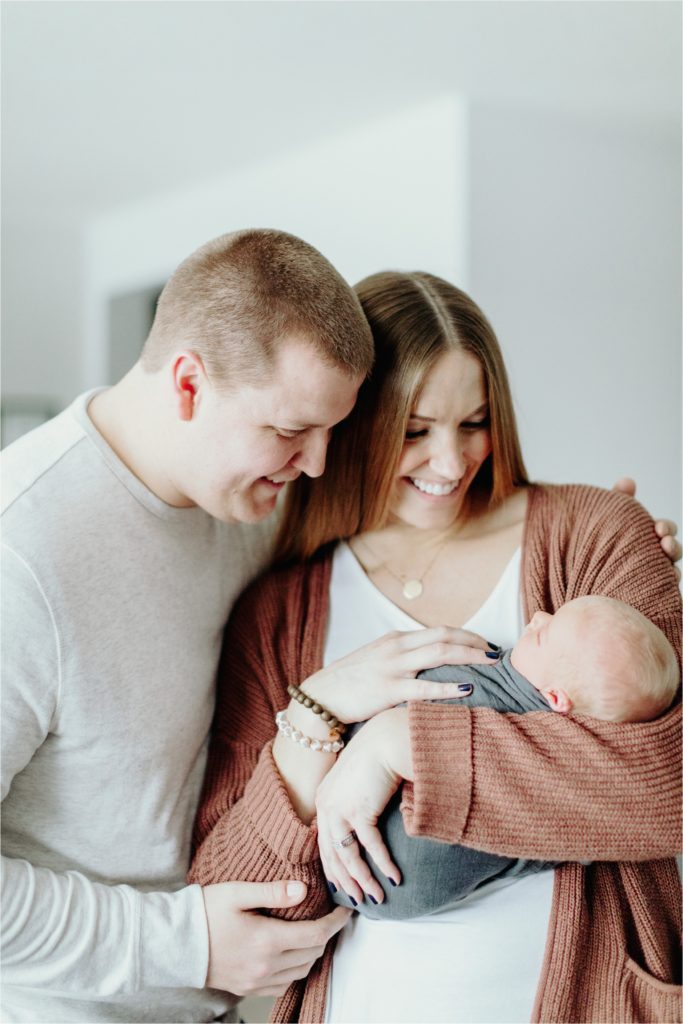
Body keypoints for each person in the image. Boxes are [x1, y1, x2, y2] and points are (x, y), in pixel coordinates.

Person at [190, 270, 682, 1024]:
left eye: (474, 422)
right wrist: (316, 718)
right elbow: (232, 900)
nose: (451, 464)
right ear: (345, 422)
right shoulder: (280, 608)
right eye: (414, 431)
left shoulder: (594, 534)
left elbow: (668, 785)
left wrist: (400, 745)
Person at [0, 229, 377, 1024]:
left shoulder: (248, 500)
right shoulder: (21, 552)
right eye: (288, 432)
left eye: (329, 435)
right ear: (186, 383)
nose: (313, 465)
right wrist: (181, 944)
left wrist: (590, 546)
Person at [327, 595, 680, 919]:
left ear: (556, 699)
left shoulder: (502, 682)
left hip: (371, 867)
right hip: (379, 882)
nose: (538, 617)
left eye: (544, 633)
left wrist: (406, 742)